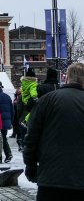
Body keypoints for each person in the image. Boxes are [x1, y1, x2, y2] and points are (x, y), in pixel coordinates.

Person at [23, 63, 84, 200]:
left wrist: (31, 167)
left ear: (67, 78)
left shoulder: (46, 100)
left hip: (51, 180)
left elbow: (31, 137)